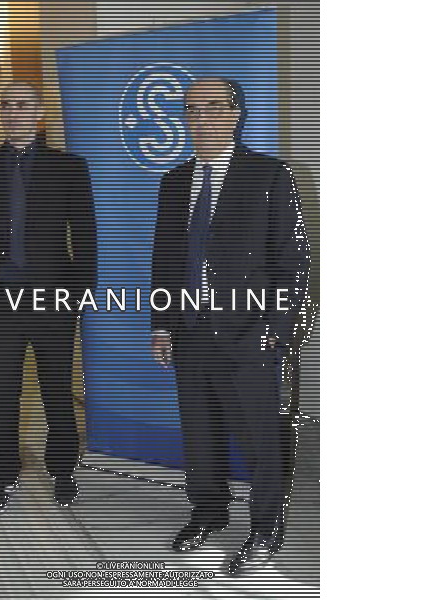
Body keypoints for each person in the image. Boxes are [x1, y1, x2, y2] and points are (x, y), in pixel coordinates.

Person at [151, 77, 310, 576]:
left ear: (236, 113)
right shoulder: (173, 182)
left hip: (250, 333)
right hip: (190, 330)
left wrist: (277, 330)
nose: (202, 118)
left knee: (261, 440)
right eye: (192, 109)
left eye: (214, 107)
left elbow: (293, 261)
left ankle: (265, 527)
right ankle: (208, 512)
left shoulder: (270, 175)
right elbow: (165, 260)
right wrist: (162, 324)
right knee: (200, 433)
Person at [0, 81, 97, 515]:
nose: (13, 112)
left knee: (57, 391)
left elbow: (85, 235)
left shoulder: (69, 167)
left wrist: (79, 294)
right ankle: (2, 475)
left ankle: (63, 470)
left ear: (39, 113)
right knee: (0, 395)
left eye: (23, 105)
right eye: (6, 105)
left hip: (52, 301)